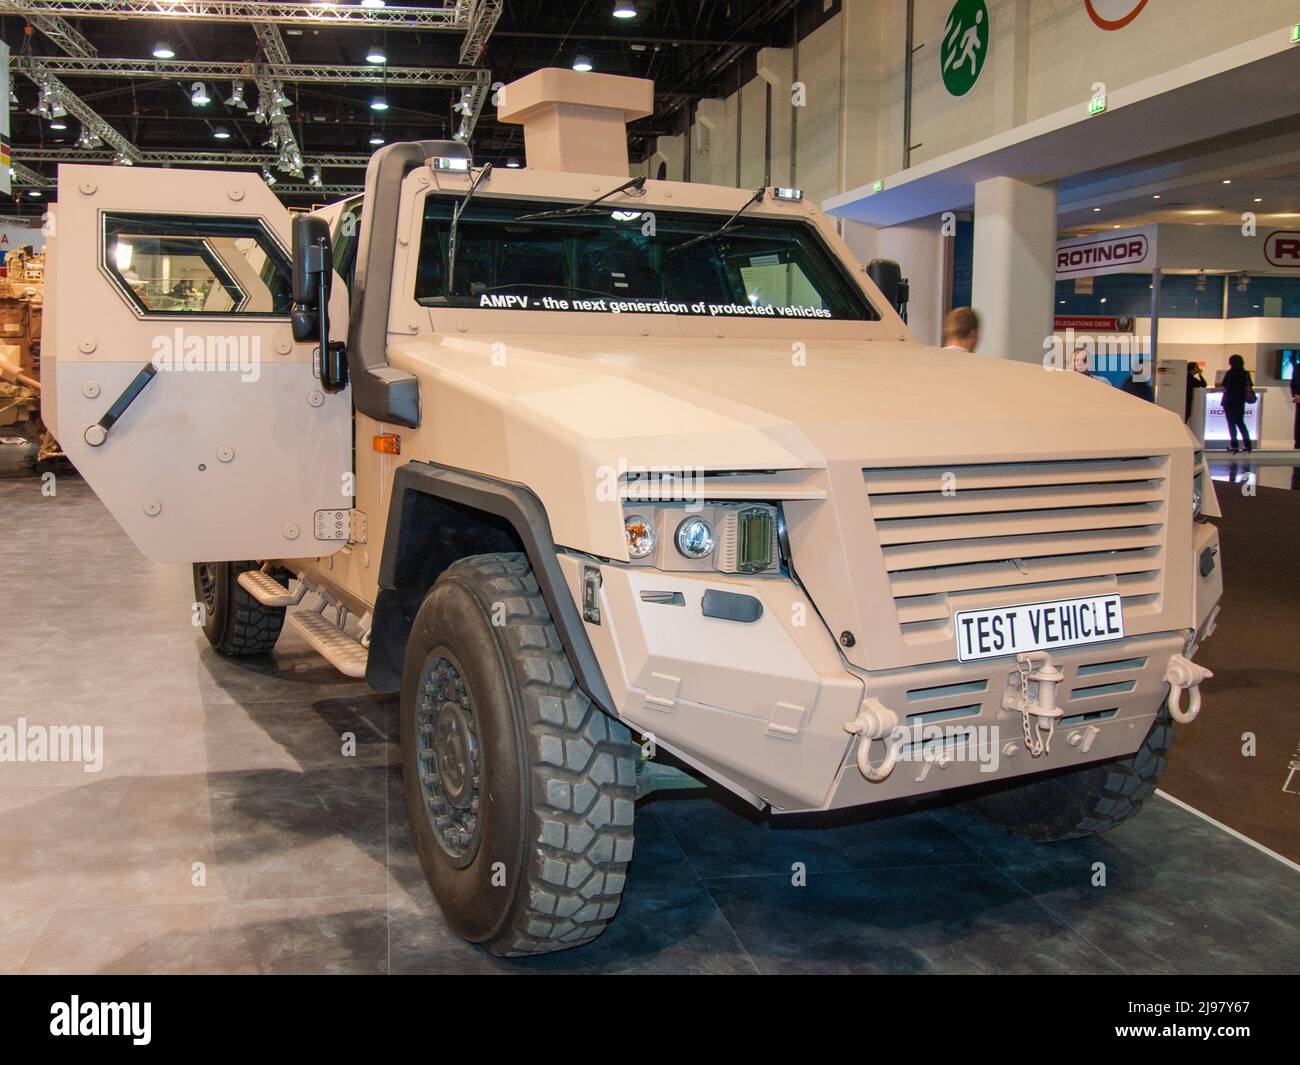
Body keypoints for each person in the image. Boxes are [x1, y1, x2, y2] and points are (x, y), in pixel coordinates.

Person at [1220, 353, 1254, 454]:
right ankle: (1248, 445)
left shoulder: (1229, 373)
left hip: (1229, 401)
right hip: (1240, 401)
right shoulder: (1245, 373)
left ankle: (1234, 445)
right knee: (1240, 423)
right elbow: (1250, 385)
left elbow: (1225, 385)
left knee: (1231, 423)